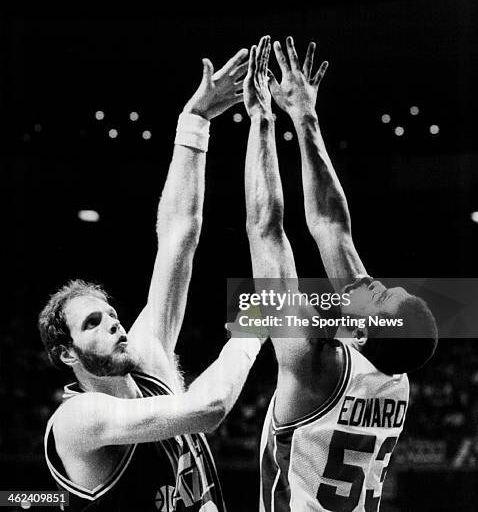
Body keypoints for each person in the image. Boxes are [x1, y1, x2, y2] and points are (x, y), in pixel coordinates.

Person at [38, 47, 264, 512]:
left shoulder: (146, 359)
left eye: (112, 316)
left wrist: (196, 120)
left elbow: (178, 237)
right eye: (92, 323)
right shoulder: (79, 419)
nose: (115, 325)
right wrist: (249, 332)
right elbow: (208, 409)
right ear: (65, 353)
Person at [242, 36, 438, 511]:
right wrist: (305, 117)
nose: (378, 287)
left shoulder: (312, 360)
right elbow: (333, 228)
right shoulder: (396, 376)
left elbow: (265, 230)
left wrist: (263, 122)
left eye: (383, 297)